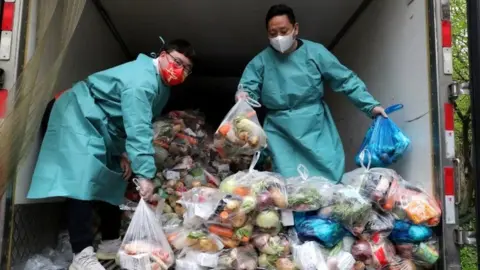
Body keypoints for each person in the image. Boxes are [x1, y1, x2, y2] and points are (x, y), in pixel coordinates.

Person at [27, 39, 195, 270]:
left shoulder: (161, 86)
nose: (180, 70)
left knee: (116, 175)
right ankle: (81, 255)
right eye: (177, 62)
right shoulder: (142, 81)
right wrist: (145, 174)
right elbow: (138, 128)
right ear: (162, 54)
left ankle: (109, 243)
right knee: (82, 181)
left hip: (98, 124)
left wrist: (122, 153)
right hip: (73, 114)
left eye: (186, 68)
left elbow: (123, 122)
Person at [236, 4, 387, 181]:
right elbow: (247, 88)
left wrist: (370, 106)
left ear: (296, 28)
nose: (278, 37)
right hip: (280, 131)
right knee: (289, 185)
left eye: (284, 31)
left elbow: (345, 80)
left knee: (328, 177)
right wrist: (243, 97)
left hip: (315, 126)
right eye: (273, 33)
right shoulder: (260, 62)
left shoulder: (316, 53)